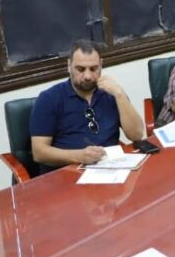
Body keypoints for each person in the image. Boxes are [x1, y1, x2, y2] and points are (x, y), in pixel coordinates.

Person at [30, 39, 144, 175]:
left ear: (101, 65)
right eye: (80, 69)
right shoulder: (49, 98)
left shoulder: (111, 93)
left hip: (111, 168)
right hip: (67, 173)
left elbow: (136, 135)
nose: (88, 76)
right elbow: (39, 152)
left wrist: (119, 94)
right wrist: (79, 156)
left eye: (93, 69)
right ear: (69, 66)